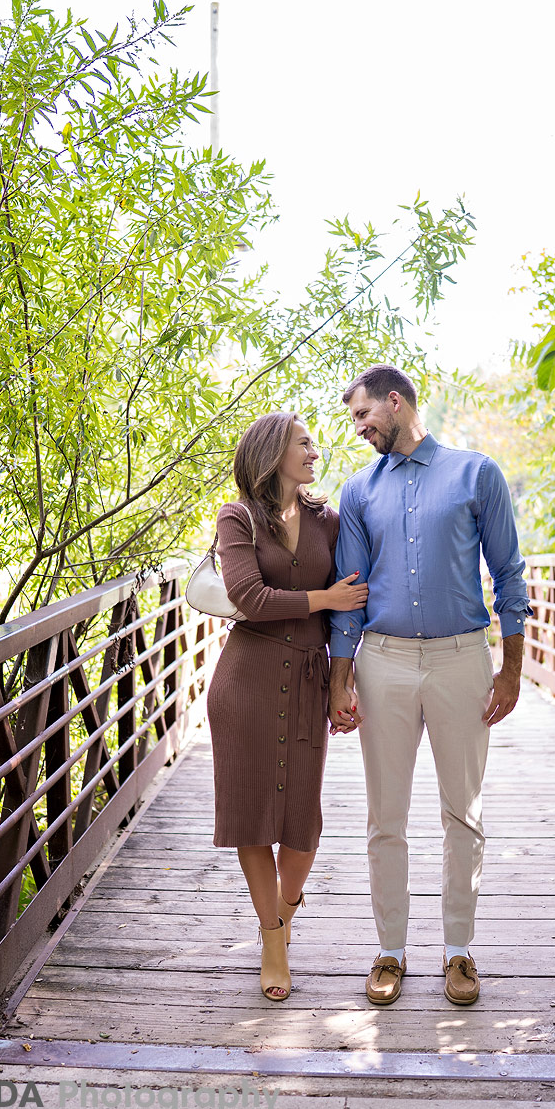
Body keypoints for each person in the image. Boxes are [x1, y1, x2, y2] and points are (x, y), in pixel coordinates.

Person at [327, 364, 532, 1008]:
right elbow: (350, 594)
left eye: (363, 416)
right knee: (384, 815)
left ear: (395, 403)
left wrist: (512, 668)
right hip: (382, 661)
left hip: (461, 659)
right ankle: (389, 950)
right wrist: (341, 678)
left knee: (462, 812)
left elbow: (508, 572)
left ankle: (458, 951)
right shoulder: (358, 491)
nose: (358, 430)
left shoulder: (477, 474)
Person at [207, 411, 368, 1001]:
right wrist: (323, 596)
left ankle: (285, 909)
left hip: (305, 677)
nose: (315, 451)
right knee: (252, 816)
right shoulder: (238, 517)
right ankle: (272, 941)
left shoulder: (329, 519)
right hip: (245, 683)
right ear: (273, 452)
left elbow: (352, 603)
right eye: (304, 443)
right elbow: (246, 595)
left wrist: (340, 682)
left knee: (303, 823)